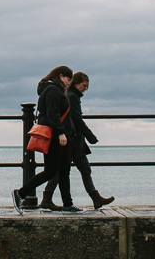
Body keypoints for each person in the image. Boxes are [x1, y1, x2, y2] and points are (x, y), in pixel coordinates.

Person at [39, 72, 114, 210]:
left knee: (79, 169)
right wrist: (90, 136)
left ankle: (93, 197)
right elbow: (76, 119)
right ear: (75, 83)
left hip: (74, 139)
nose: (86, 88)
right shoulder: (71, 97)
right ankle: (49, 198)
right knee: (67, 171)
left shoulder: (72, 96)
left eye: (87, 86)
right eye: (84, 85)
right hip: (72, 140)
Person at [12, 65, 82, 213]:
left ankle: (68, 204)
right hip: (55, 137)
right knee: (50, 171)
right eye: (68, 79)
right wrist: (61, 133)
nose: (69, 83)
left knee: (64, 171)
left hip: (62, 136)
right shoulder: (52, 90)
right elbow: (52, 114)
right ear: (61, 76)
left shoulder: (53, 90)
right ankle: (21, 193)